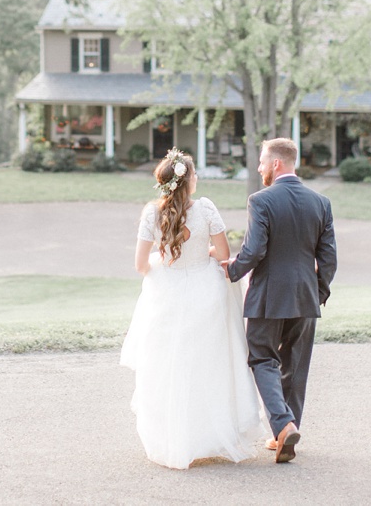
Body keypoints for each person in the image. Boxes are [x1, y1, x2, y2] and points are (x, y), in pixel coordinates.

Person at [120, 149, 268, 469]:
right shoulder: (206, 208)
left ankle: (174, 438)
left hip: (167, 295)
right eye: (195, 174)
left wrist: (169, 260)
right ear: (188, 181)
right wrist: (201, 252)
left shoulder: (151, 214)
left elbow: (140, 264)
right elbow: (225, 252)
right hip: (206, 292)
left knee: (169, 364)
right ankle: (210, 435)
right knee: (209, 363)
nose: (198, 178)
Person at [222, 137, 337, 464]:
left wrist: (232, 271)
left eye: (261, 161)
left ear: (276, 163)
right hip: (306, 297)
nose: (258, 168)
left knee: (262, 358)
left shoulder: (261, 200)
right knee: (295, 367)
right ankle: (285, 433)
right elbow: (328, 260)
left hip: (270, 296)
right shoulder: (321, 203)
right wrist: (318, 293)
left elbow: (255, 250)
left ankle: (283, 426)